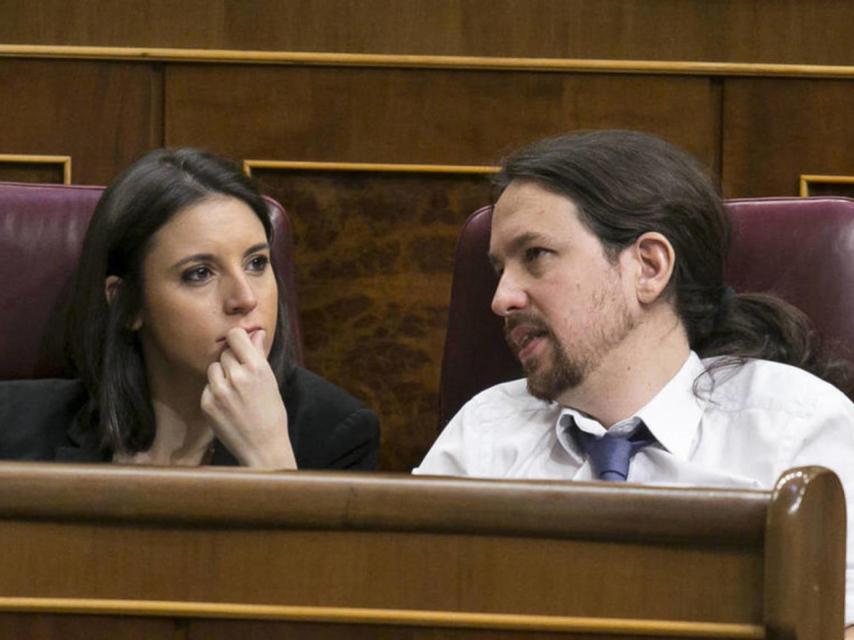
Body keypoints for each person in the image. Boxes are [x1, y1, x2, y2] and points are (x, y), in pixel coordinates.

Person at [413, 130, 854, 631]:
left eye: (534, 255)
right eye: (499, 268)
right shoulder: (483, 434)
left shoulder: (797, 429)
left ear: (648, 266)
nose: (501, 298)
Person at [0, 148, 379, 469]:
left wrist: (271, 463)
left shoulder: (336, 435)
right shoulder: (13, 431)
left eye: (257, 263)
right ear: (127, 303)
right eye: (199, 273)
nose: (245, 298)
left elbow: (319, 560)